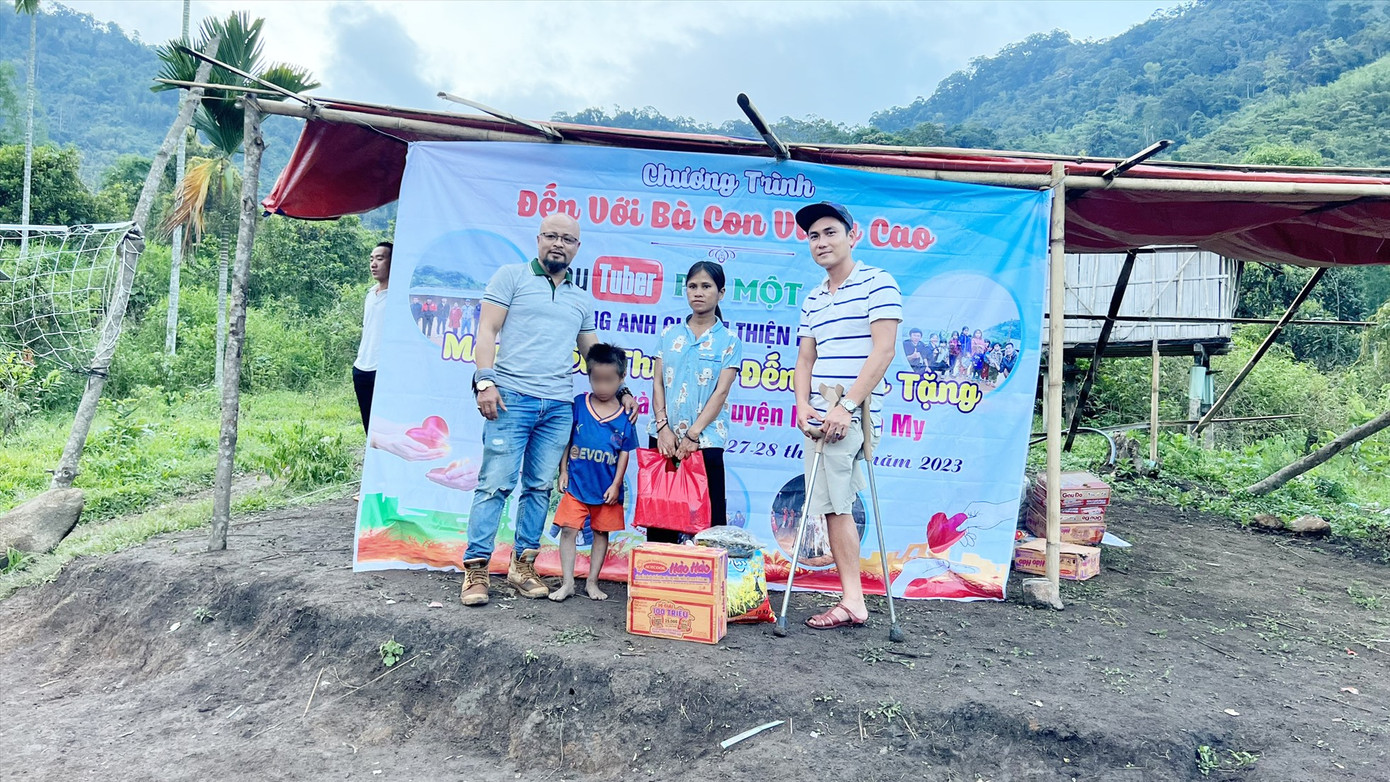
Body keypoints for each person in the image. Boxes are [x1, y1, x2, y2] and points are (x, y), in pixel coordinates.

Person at [460, 214, 635, 607]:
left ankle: (523, 567)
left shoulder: (580, 296)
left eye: (568, 239)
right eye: (552, 236)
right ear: (538, 239)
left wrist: (621, 389)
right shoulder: (511, 277)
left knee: (539, 488)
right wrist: (485, 381)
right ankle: (476, 571)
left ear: (577, 247)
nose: (559, 244)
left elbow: (593, 353)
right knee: (495, 485)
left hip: (557, 406)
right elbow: (486, 331)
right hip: (511, 398)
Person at [792, 201, 901, 630]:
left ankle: (854, 600)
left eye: (830, 232)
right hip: (820, 411)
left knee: (835, 505)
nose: (821, 242)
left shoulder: (878, 282)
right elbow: (804, 360)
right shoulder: (814, 297)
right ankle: (852, 597)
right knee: (831, 505)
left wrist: (847, 406)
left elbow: (884, 350)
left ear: (852, 235)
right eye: (814, 236)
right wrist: (802, 404)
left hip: (853, 410)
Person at [647, 261, 743, 544]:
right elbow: (657, 383)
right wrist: (663, 426)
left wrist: (693, 435)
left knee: (710, 516)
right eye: (692, 286)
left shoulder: (729, 341)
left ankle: (706, 582)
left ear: (721, 292)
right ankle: (658, 577)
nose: (698, 293)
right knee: (661, 511)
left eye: (706, 286)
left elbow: (721, 393)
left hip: (706, 440)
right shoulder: (669, 335)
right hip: (665, 437)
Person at [551, 343, 637, 602]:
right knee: (568, 530)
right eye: (596, 380)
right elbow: (567, 440)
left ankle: (592, 582)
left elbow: (625, 452)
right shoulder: (578, 405)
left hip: (606, 490)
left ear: (621, 379)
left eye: (609, 381)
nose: (602, 387)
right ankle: (567, 582)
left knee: (601, 533)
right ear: (588, 376)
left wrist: (617, 484)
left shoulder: (626, 417)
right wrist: (563, 470)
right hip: (577, 485)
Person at [352, 241, 392, 433]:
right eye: (371, 259)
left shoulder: (397, 297)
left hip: (383, 369)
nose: (373, 264)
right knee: (369, 426)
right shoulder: (370, 294)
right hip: (361, 367)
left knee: (385, 425)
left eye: (380, 258)